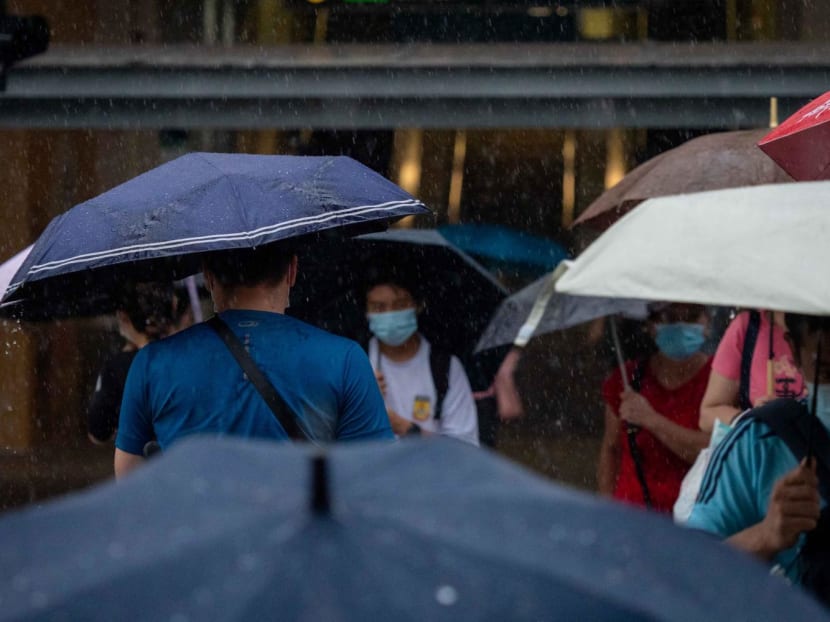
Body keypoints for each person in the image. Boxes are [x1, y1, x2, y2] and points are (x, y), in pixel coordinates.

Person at [114, 243, 393, 478]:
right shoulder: (344, 359)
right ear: (293, 271)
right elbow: (373, 474)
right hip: (300, 539)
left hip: (193, 537)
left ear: (208, 275)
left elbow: (128, 480)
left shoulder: (151, 362)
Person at [687, 314, 829, 589]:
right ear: (795, 352)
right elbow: (694, 567)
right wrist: (767, 534)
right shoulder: (755, 444)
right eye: (825, 371)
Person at [597, 303, 712, 513]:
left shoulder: (722, 381)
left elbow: (712, 453)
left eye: (691, 316)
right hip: (632, 518)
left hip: (696, 522)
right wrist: (607, 511)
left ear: (708, 324)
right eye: (669, 317)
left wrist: (650, 419)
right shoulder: (627, 379)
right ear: (650, 326)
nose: (680, 326)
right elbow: (611, 449)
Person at [365, 274, 479, 446]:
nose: (390, 314)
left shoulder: (445, 367)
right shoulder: (350, 365)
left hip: (428, 472)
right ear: (367, 313)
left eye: (400, 305)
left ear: (418, 306)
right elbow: (328, 442)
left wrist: (402, 427)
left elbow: (465, 449)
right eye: (379, 308)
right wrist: (357, 405)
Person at [87, 282, 182, 444]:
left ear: (123, 317)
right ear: (173, 306)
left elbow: (98, 431)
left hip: (148, 462)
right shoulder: (192, 353)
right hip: (194, 457)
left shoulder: (118, 367)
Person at [699, 309, 806, 433]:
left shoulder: (822, 332)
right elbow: (708, 415)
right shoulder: (747, 327)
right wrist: (754, 418)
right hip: (763, 447)